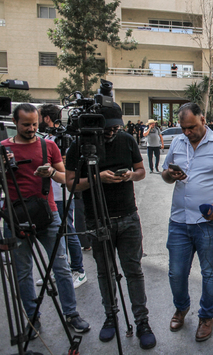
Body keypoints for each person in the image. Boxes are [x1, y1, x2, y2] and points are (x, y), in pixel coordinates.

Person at [65, 103, 156, 349]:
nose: (112, 132)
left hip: (128, 217)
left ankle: (142, 322)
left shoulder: (127, 140)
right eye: (108, 128)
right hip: (97, 219)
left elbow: (141, 171)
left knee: (134, 271)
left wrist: (129, 175)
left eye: (116, 127)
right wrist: (98, 178)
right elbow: (70, 183)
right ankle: (110, 316)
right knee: (105, 272)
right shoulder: (79, 146)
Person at [2, 103, 90, 336]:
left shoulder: (48, 145)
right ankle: (32, 319)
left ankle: (71, 314)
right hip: (14, 216)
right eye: (26, 125)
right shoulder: (3, 149)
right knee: (22, 271)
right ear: (15, 122)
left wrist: (50, 172)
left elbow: (65, 178)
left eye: (34, 124)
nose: (31, 129)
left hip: (47, 214)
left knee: (60, 266)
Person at [161, 103, 213, 342]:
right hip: (178, 220)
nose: (187, 132)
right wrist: (170, 175)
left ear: (203, 119)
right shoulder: (177, 142)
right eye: (183, 128)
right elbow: (165, 174)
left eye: (192, 127)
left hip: (210, 222)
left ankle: (206, 316)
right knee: (176, 273)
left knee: (209, 272)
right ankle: (182, 307)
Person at [38, 104, 88, 289]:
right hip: (49, 193)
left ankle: (78, 270)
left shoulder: (65, 138)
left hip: (61, 193)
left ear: (46, 118)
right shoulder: (49, 137)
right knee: (56, 235)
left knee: (68, 231)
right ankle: (60, 269)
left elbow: (67, 167)